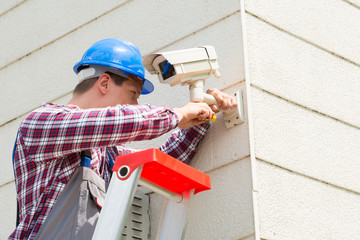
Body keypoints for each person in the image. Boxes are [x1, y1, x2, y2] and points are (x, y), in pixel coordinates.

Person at [9, 38, 236, 239]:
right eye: (133, 94)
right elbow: (120, 120)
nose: (136, 105)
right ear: (105, 83)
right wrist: (178, 114)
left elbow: (162, 161)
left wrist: (203, 114)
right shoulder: (41, 123)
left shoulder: (105, 153)